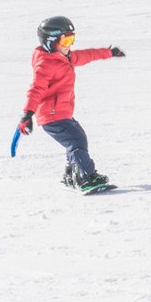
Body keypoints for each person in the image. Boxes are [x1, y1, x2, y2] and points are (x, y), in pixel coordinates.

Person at [18, 16, 126, 191]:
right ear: (51, 41)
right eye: (66, 40)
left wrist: (109, 52)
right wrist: (27, 114)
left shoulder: (65, 57)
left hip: (61, 112)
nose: (70, 44)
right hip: (51, 115)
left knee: (78, 139)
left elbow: (87, 55)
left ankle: (72, 174)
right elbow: (36, 89)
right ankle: (84, 177)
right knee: (75, 142)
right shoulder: (45, 64)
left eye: (72, 39)